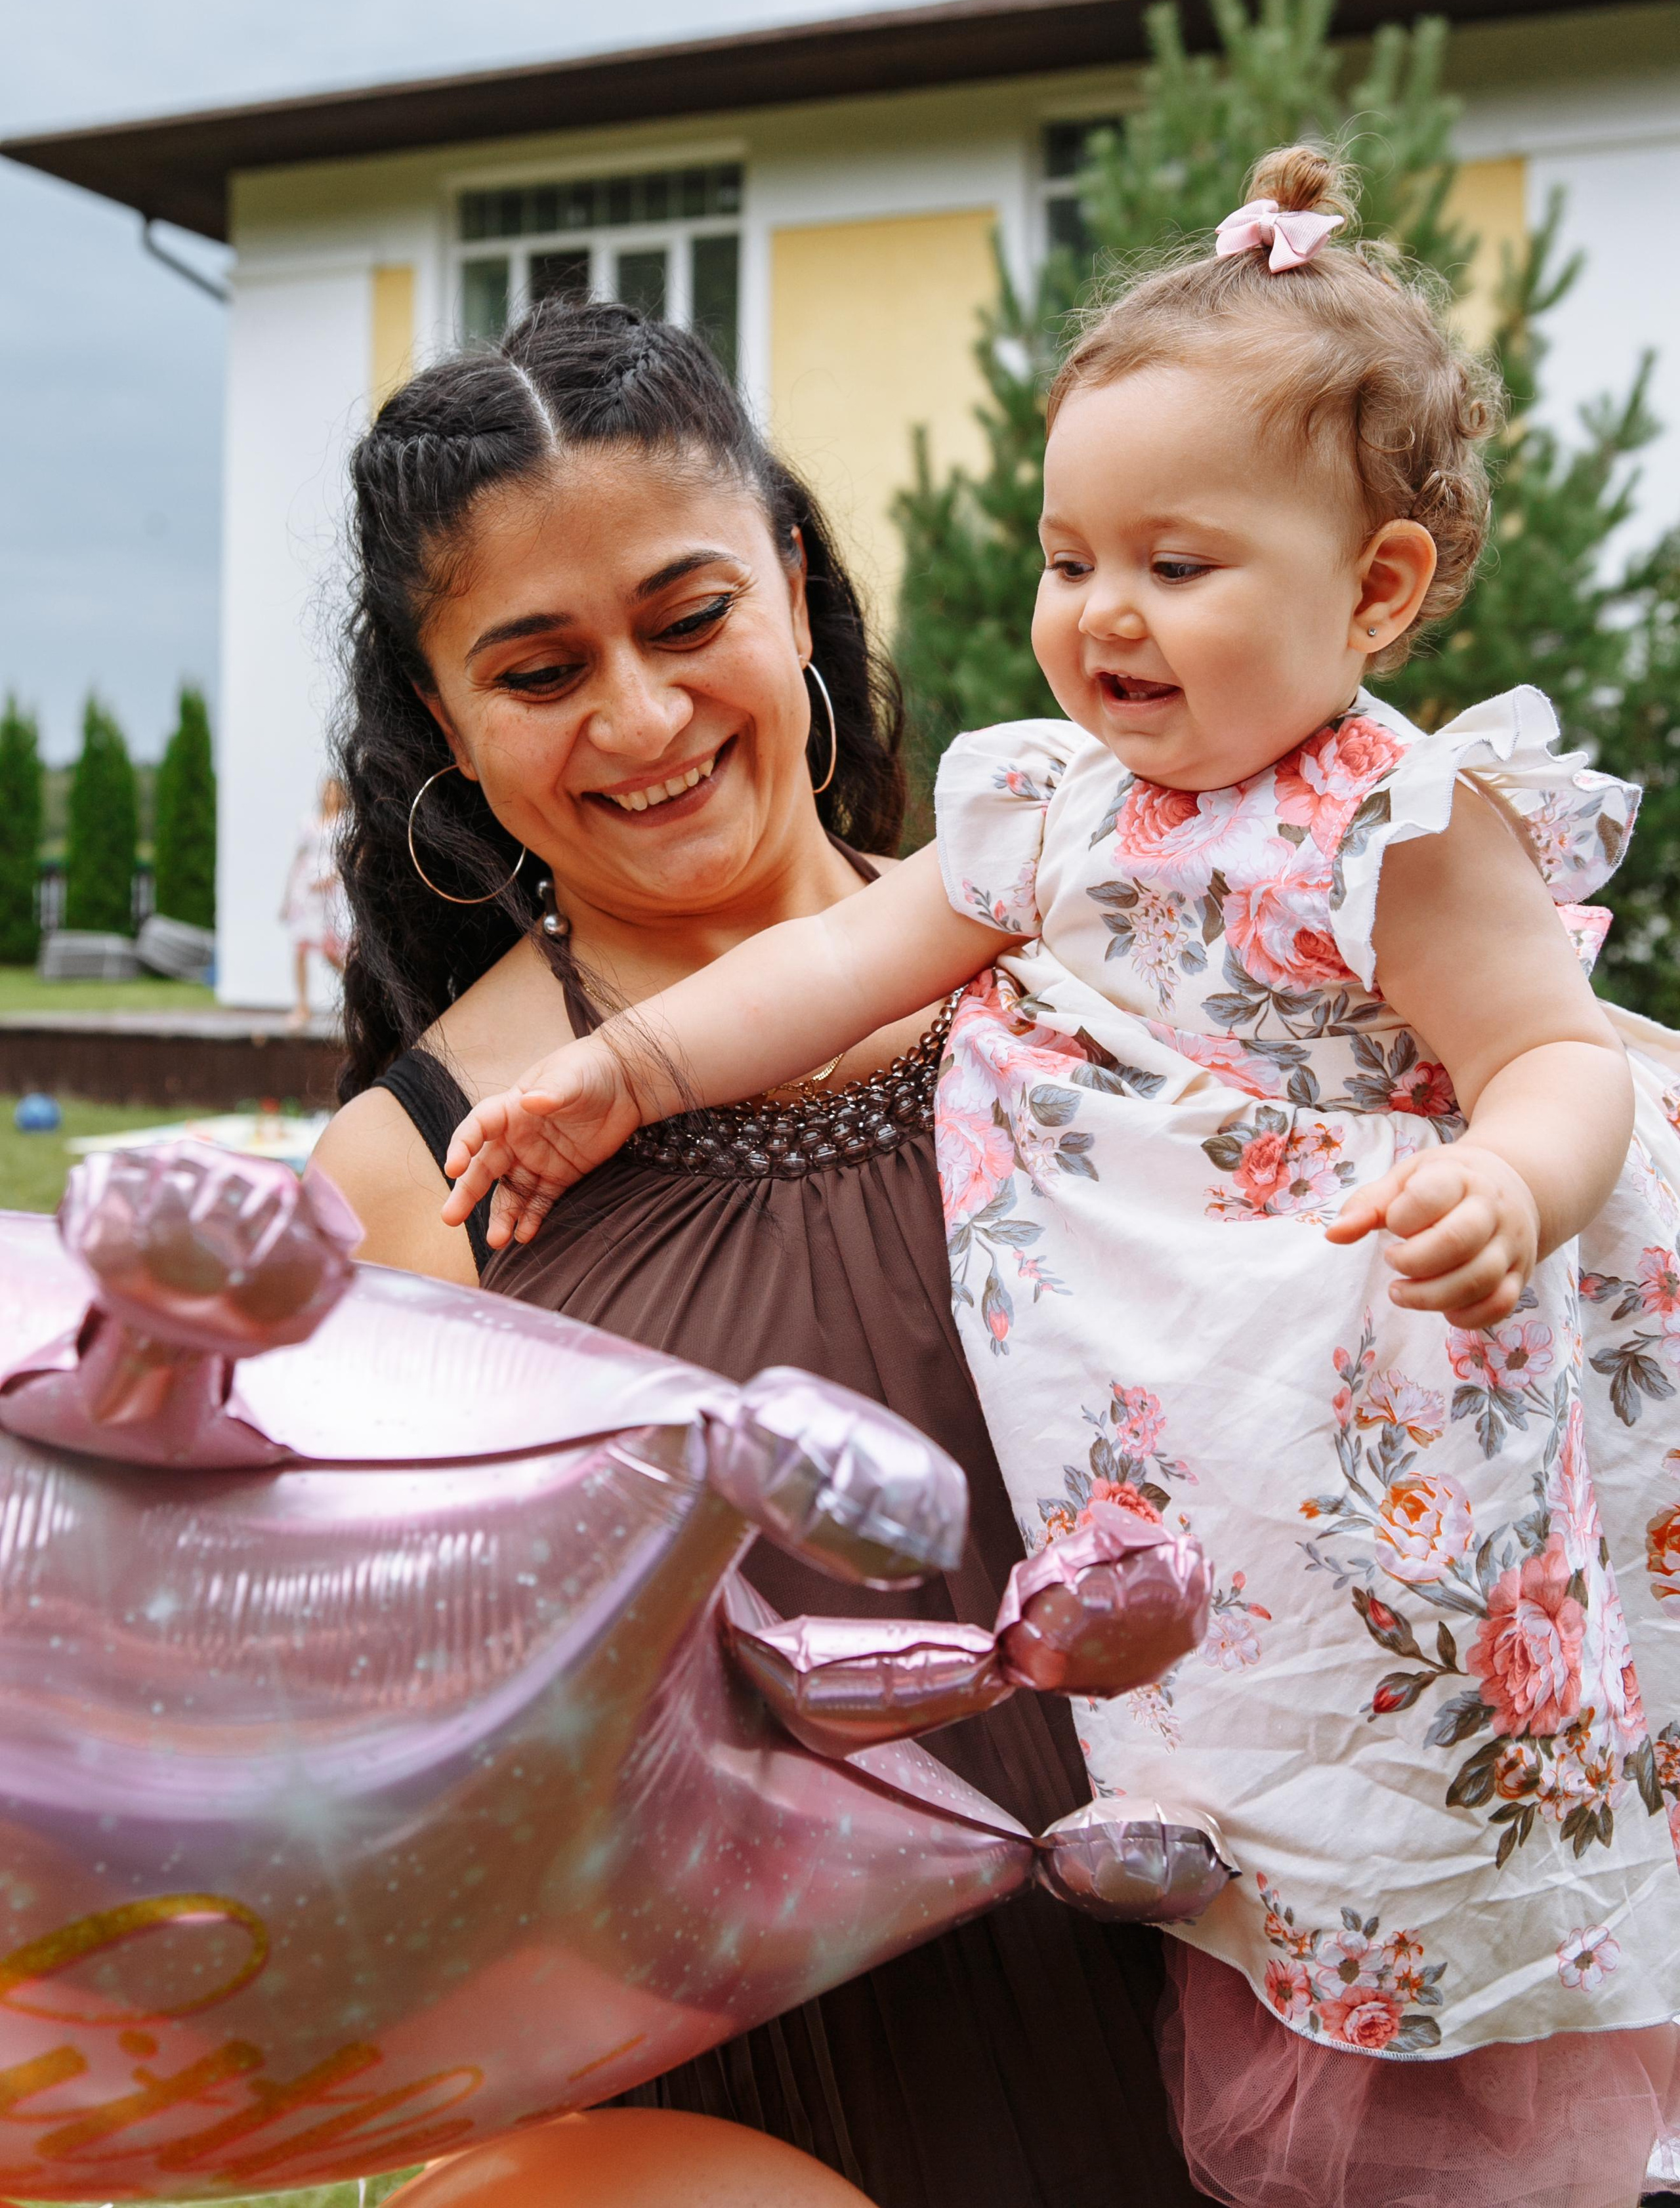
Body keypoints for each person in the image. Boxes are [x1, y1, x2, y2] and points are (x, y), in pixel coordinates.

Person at [444, 152, 1680, 2208]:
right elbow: (841, 959)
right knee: (1231, 1686)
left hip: (1374, 1366)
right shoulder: (1042, 802)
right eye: (1066, 553)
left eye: (1178, 563)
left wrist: (1511, 1184)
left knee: (1378, 1732)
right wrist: (624, 1069)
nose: (1101, 610)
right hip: (1176, 1400)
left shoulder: (1404, 821)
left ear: (1373, 591)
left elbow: (1556, 1052)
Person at [309, 297, 1204, 2208]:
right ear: (444, 716)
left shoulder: (1098, 930)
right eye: (538, 668)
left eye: (687, 614)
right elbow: (419, 1821)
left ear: (792, 582)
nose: (638, 717)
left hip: (1260, 1969)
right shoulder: (402, 1179)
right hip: (795, 2105)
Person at [280, 774, 351, 1026]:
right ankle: (302, 1005)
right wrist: (287, 899)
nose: (328, 794)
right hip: (306, 894)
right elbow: (298, 860)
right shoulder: (309, 823)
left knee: (334, 953)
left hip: (330, 895)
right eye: (325, 790)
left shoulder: (345, 823)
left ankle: (357, 1000)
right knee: (300, 947)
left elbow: (349, 857)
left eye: (333, 790)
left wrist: (332, 877)